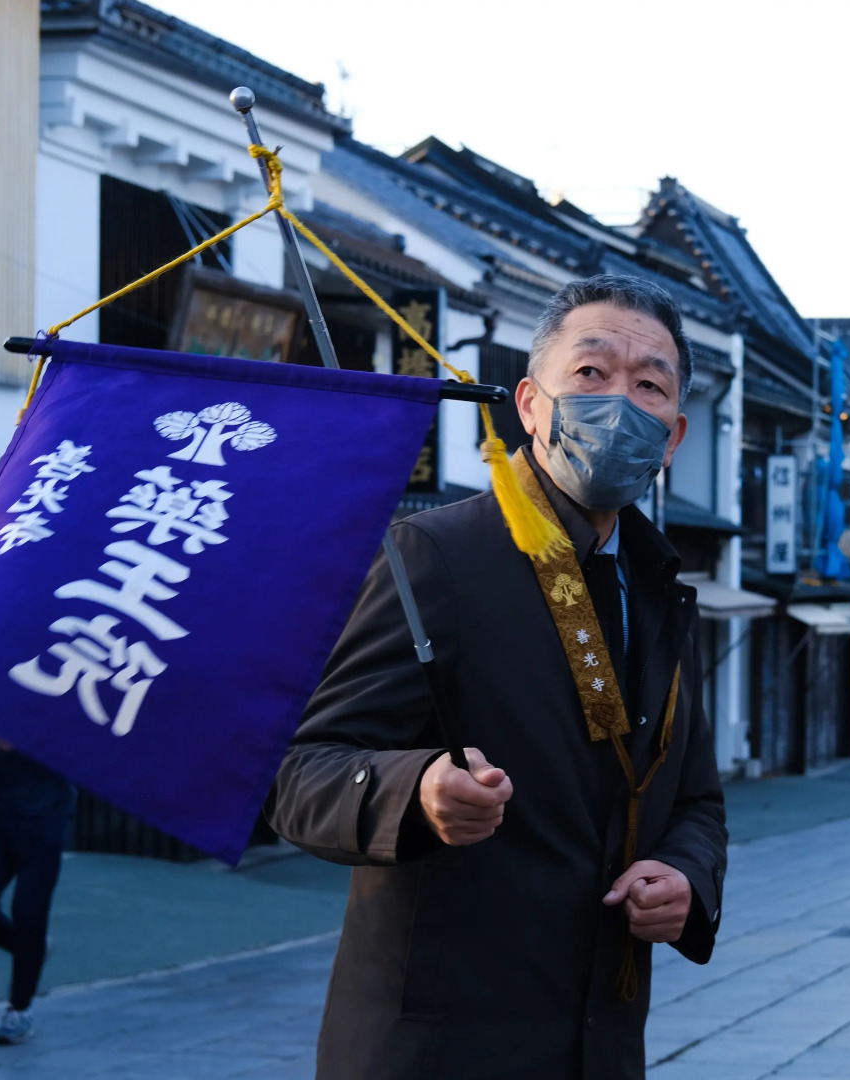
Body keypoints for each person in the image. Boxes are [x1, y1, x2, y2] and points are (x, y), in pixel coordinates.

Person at [269, 275, 728, 1079]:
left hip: (600, 1040)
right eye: (590, 374)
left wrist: (686, 878)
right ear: (529, 403)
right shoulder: (434, 557)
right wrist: (416, 789)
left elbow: (694, 798)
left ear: (674, 434)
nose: (619, 401)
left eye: (648, 385)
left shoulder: (662, 588)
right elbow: (302, 771)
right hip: (439, 1046)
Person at [0, 721, 75, 1046]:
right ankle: (33, 949)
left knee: (29, 912)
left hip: (46, 810)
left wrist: (31, 737)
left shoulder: (70, 679)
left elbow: (86, 736)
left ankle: (19, 1010)